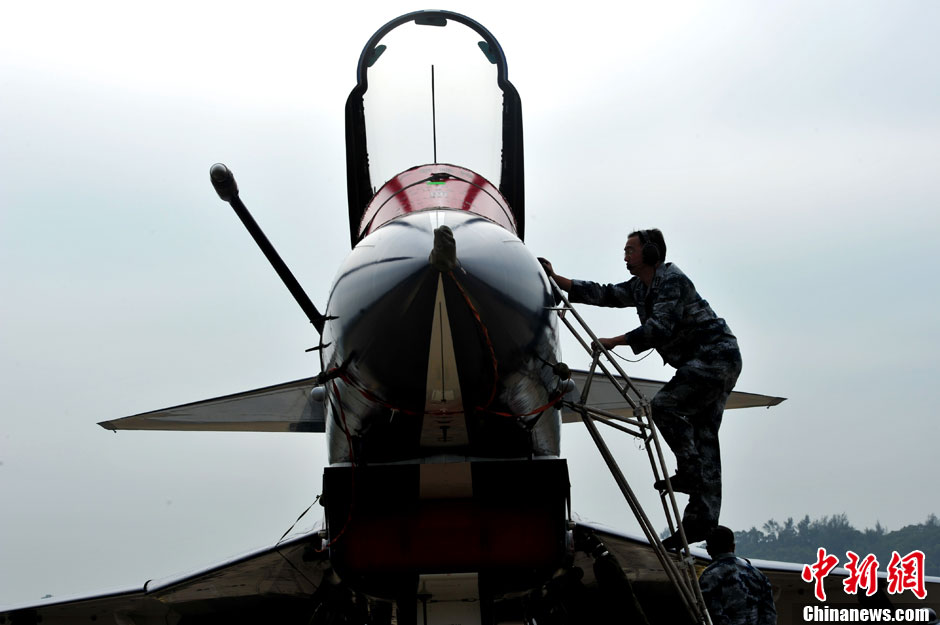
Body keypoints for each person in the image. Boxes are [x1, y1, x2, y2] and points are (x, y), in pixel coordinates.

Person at [539, 229, 741, 547]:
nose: (625, 256)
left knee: (664, 406)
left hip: (715, 357)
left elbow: (660, 327)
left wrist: (613, 342)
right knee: (704, 437)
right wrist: (555, 278)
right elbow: (604, 294)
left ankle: (689, 473)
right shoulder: (640, 287)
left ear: (649, 253)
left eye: (630, 250)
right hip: (710, 363)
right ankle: (700, 523)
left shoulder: (671, 279)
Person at [698, 525, 777, 625]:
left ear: (708, 550)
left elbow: (713, 615)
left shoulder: (709, 576)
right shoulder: (758, 575)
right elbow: (770, 615)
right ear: (733, 546)